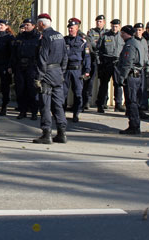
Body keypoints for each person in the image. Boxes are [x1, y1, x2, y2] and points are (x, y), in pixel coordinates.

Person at [32, 14, 68, 144]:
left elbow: (42, 58)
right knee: (58, 104)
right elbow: (65, 56)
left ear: (41, 24)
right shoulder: (59, 36)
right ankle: (62, 133)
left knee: (45, 105)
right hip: (57, 73)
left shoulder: (45, 37)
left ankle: (46, 134)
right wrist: (61, 72)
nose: (37, 26)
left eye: (38, 24)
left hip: (47, 73)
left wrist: (38, 77)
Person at [114, 25, 144, 135]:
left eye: (122, 33)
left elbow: (127, 63)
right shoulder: (138, 43)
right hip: (137, 75)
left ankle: (134, 126)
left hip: (131, 76)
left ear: (127, 33)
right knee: (134, 100)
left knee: (131, 101)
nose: (121, 35)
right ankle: (134, 125)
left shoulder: (129, 45)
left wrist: (122, 77)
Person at [11, 18, 40, 120]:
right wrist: (12, 66)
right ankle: (22, 111)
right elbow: (13, 52)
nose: (25, 27)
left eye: (28, 25)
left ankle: (34, 112)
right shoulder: (20, 37)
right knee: (20, 90)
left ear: (33, 26)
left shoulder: (38, 37)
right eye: (25, 25)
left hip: (32, 66)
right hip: (20, 66)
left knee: (32, 90)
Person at [62, 18, 90, 123]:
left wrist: (87, 70)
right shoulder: (64, 40)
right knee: (63, 93)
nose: (70, 30)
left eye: (72, 28)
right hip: (65, 70)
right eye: (69, 28)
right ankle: (62, 114)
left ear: (77, 29)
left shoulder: (82, 42)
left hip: (77, 70)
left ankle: (76, 114)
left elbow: (87, 57)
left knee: (78, 93)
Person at [96, 19, 125, 113]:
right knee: (104, 84)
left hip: (118, 63)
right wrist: (99, 62)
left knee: (118, 84)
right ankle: (101, 104)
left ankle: (118, 104)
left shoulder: (122, 37)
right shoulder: (105, 36)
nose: (114, 28)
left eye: (116, 26)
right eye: (113, 26)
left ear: (119, 26)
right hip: (106, 62)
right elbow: (98, 50)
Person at [83, 15, 107, 109]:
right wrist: (99, 44)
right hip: (93, 58)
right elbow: (91, 43)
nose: (98, 23)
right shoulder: (92, 32)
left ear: (104, 22)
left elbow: (107, 45)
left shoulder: (107, 32)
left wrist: (98, 43)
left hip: (103, 59)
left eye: (100, 21)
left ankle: (103, 101)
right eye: (97, 21)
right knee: (90, 81)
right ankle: (87, 101)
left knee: (104, 81)